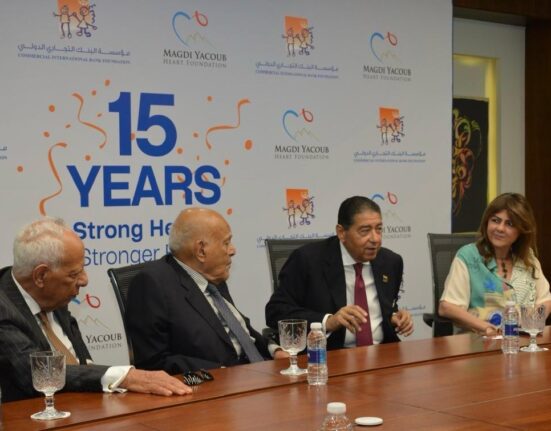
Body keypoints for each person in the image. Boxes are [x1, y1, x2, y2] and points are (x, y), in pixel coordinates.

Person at [0, 218, 192, 402]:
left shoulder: (53, 294)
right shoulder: (4, 307)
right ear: (41, 276)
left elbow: (82, 365)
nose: (84, 280)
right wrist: (124, 377)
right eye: (74, 274)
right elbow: (36, 373)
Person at [126, 208, 288, 374]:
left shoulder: (213, 274)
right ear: (201, 251)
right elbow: (153, 363)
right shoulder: (152, 284)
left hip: (259, 372)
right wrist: (219, 372)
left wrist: (274, 350)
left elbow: (240, 329)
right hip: (215, 383)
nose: (233, 250)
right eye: (226, 243)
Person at [265, 196, 413, 350]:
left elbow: (385, 306)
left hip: (383, 353)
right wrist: (328, 321)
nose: (375, 239)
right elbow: (276, 311)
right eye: (365, 231)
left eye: (379, 229)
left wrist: (393, 316)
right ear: (341, 232)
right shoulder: (308, 260)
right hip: (329, 355)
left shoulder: (391, 262)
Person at [439, 193, 551, 335]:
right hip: (478, 340)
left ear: (521, 231)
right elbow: (447, 307)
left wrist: (529, 325)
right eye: (495, 220)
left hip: (521, 340)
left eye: (510, 224)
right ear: (487, 222)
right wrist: (487, 328)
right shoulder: (468, 256)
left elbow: (546, 300)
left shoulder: (527, 258)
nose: (500, 228)